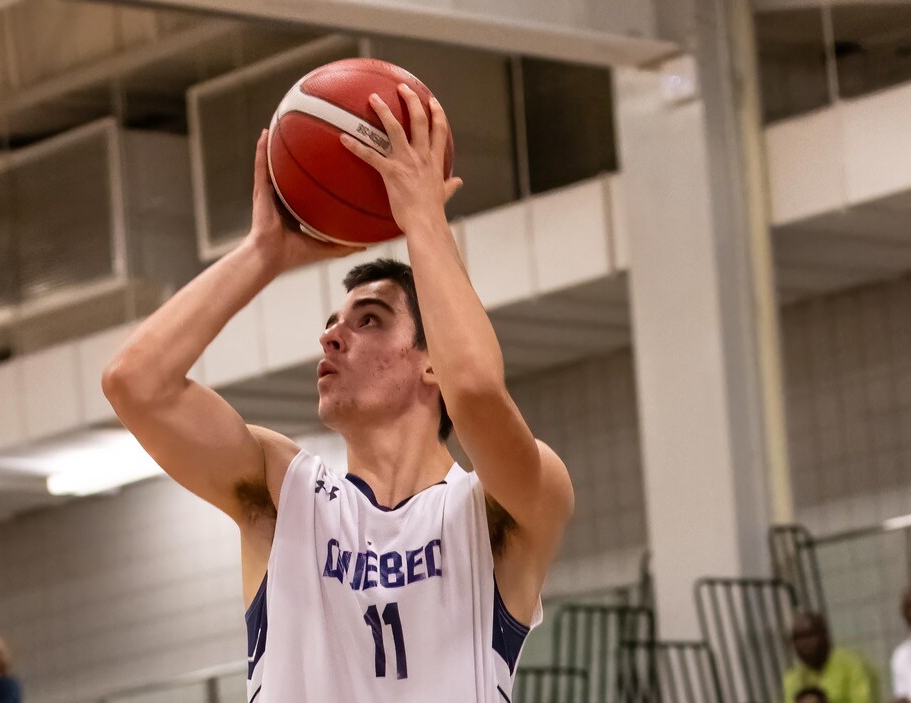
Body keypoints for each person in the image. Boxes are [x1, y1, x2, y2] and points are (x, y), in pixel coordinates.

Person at [103, 84, 574, 702]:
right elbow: (135, 383)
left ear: (431, 365)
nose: (331, 338)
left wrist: (424, 219)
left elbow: (479, 390)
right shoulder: (282, 493)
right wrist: (261, 253)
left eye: (369, 319)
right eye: (332, 322)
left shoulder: (499, 509)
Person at [783, 611, 878, 703]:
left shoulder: (852, 666)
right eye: (798, 639)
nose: (804, 644)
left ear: (824, 635)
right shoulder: (792, 680)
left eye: (810, 636)